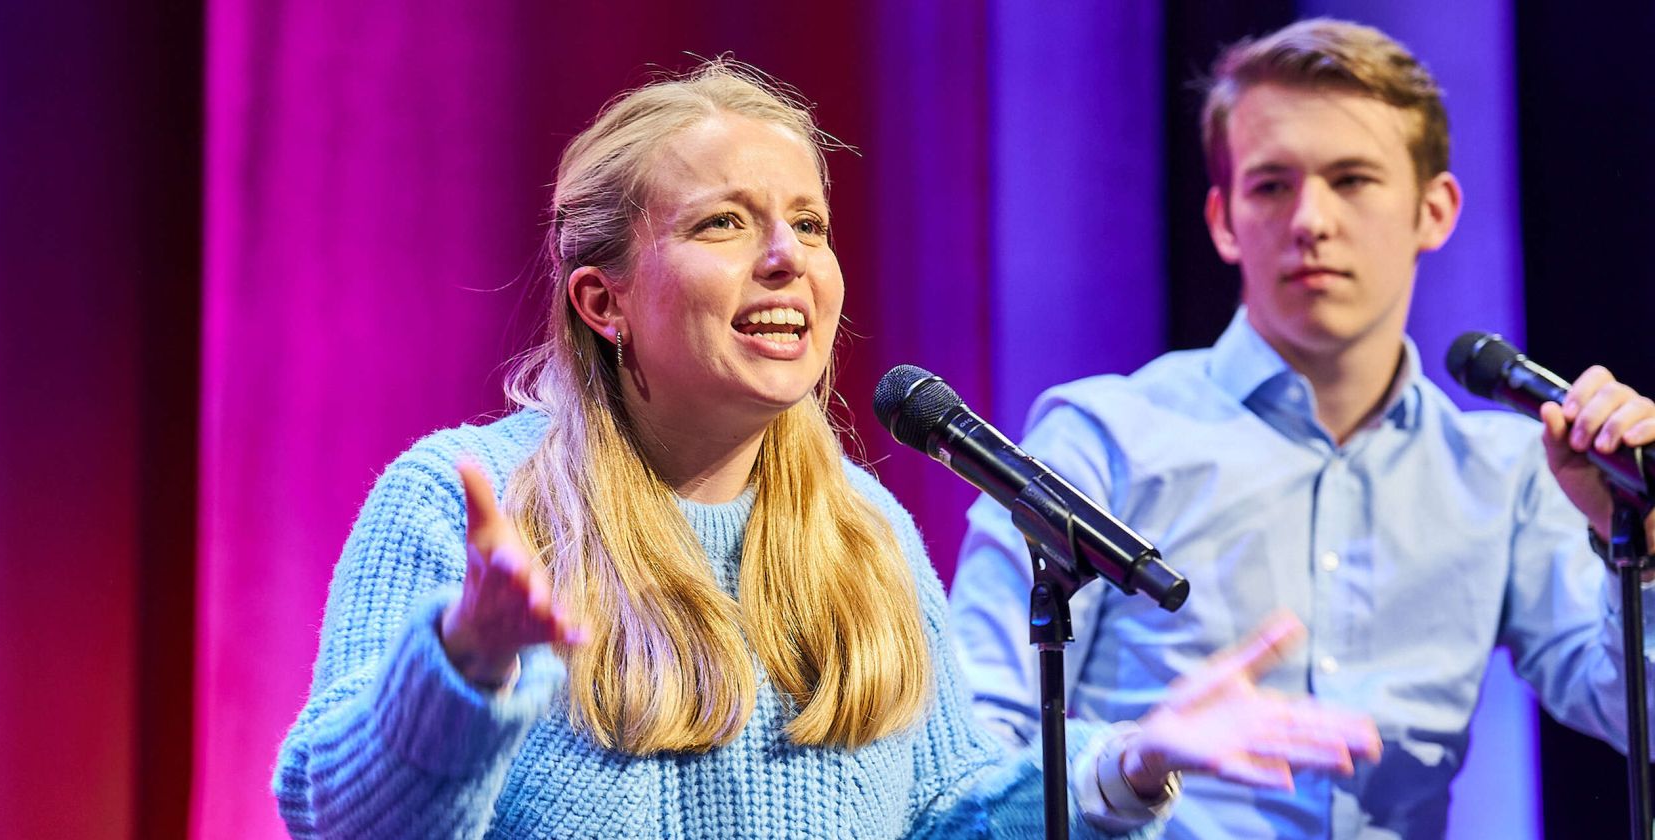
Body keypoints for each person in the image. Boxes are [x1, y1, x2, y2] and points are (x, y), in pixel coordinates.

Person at [271, 62, 1380, 839]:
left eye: (808, 223)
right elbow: (332, 817)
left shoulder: (865, 533)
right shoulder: (461, 512)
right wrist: (466, 657)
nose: (785, 259)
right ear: (603, 301)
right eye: (721, 224)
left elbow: (947, 821)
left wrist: (1122, 767)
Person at [950, 18, 1655, 840]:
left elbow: (1632, 716)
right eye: (1272, 185)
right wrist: (1135, 758)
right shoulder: (1102, 436)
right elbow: (966, 760)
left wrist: (1636, 545)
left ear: (1436, 210)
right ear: (1223, 219)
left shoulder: (1503, 472)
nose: (1311, 220)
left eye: (1352, 180)